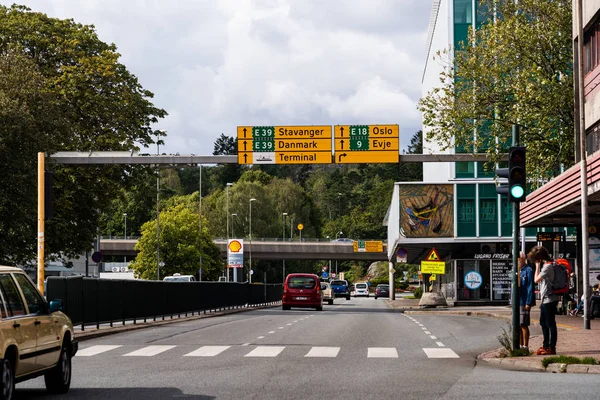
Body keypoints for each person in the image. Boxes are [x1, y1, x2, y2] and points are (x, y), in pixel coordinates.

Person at [529, 246, 558, 355]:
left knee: (550, 324)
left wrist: (537, 266)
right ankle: (546, 345)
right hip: (546, 299)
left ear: (540, 257)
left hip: (549, 299)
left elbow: (536, 279)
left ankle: (551, 347)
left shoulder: (547, 267)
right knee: (543, 322)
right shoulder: (549, 265)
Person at [518, 251, 535, 352]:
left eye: (519, 258)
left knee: (523, 323)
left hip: (524, 301)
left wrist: (528, 302)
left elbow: (530, 287)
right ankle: (519, 345)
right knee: (518, 325)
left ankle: (525, 346)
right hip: (517, 301)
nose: (518, 260)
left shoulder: (528, 270)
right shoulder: (516, 270)